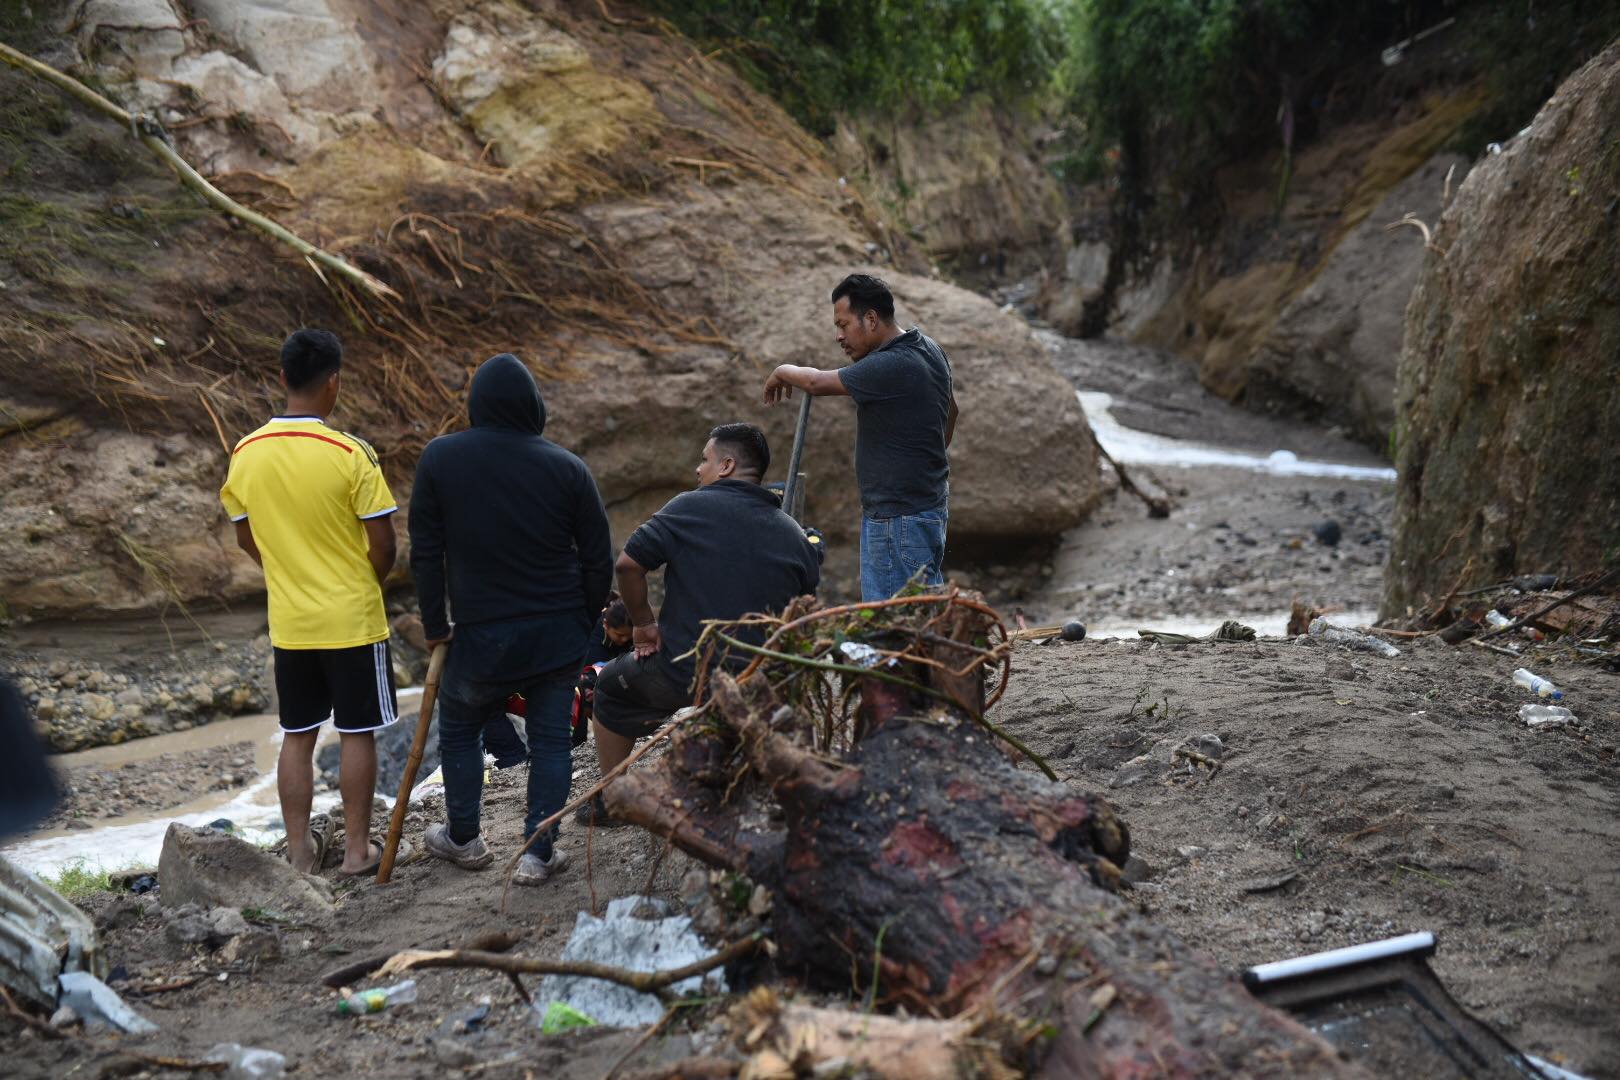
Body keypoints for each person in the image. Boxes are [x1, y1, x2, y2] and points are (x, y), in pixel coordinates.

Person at [410, 353, 613, 886]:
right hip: (554, 632)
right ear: (533, 406)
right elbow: (598, 558)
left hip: (480, 633)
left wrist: (435, 625)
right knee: (550, 739)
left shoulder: (440, 459)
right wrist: (582, 622)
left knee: (459, 731)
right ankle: (537, 852)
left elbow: (426, 552)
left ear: (477, 405)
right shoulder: (567, 467)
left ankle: (463, 838)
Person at [219, 328, 399, 876]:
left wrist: (284, 572)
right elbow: (385, 546)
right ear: (334, 382)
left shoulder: (246, 453)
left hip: (291, 622)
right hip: (351, 619)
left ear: (282, 379)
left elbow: (244, 533)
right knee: (356, 731)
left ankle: (298, 858)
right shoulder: (349, 453)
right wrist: (357, 581)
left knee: (297, 734)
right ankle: (355, 853)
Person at [581, 424, 821, 826]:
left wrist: (643, 624)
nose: (698, 469)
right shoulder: (794, 534)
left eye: (705, 459)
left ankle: (611, 802)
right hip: (759, 681)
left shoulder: (688, 507)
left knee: (609, 689)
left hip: (686, 670)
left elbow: (627, 564)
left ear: (726, 465)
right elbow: (804, 607)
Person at [762, 273, 958, 600]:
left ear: (870, 319)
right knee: (918, 616)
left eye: (843, 325)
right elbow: (951, 412)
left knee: (892, 627)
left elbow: (816, 383)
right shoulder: (927, 347)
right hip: (924, 507)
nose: (839, 336)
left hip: (898, 518)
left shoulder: (892, 363)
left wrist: (782, 371)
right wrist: (922, 456)